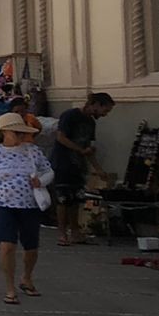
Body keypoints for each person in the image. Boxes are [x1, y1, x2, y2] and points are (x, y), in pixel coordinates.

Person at [0, 113, 55, 305]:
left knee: (30, 247)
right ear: (5, 132)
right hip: (2, 205)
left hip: (29, 205)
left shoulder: (33, 151)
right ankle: (10, 287)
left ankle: (26, 277)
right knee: (7, 246)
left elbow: (49, 171)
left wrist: (40, 181)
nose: (20, 136)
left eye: (21, 132)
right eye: (16, 132)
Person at [52, 92, 115, 246]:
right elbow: (61, 137)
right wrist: (79, 150)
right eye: (104, 110)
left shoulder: (91, 123)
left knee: (76, 199)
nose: (105, 115)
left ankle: (75, 231)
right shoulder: (70, 115)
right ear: (96, 105)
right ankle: (62, 233)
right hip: (63, 162)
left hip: (79, 165)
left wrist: (98, 169)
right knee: (63, 199)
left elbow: (89, 149)